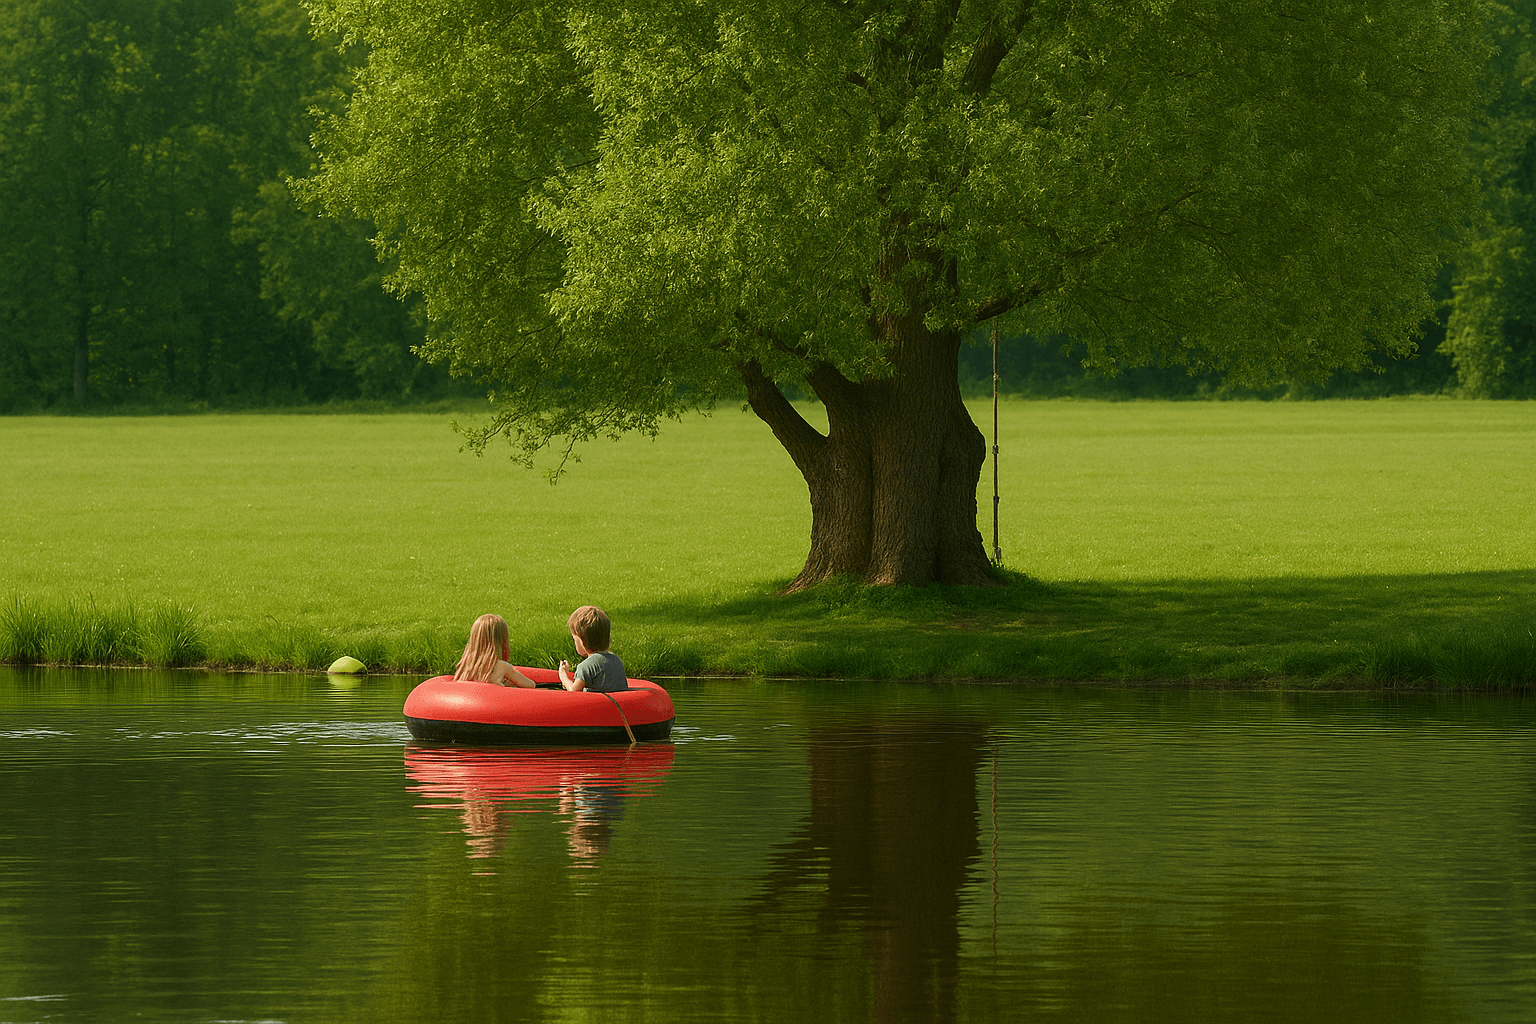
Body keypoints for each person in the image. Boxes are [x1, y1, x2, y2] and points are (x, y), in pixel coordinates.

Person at [453, 613, 537, 688]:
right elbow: (530, 685)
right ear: (502, 641)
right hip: (497, 703)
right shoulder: (502, 666)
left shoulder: (466, 666)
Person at [558, 605, 628, 692]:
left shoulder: (585, 667)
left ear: (582, 642)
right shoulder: (616, 660)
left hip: (597, 705)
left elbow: (573, 692)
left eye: (575, 640)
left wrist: (563, 676)